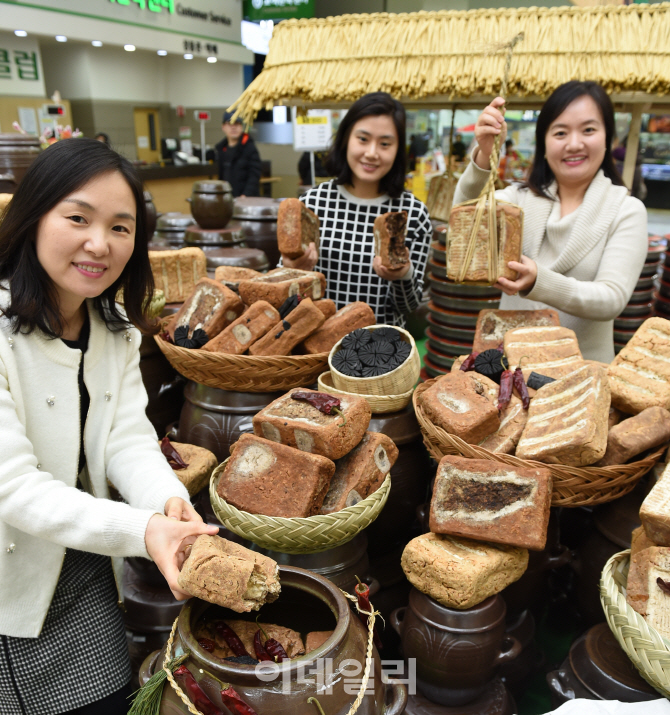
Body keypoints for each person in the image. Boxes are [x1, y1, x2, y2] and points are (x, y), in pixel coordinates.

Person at [0, 138, 218, 715]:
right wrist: (145, 530)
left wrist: (167, 502)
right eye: (78, 218)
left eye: (121, 227)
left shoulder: (113, 330)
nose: (100, 243)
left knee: (111, 700)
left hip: (86, 555)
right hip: (10, 574)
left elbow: (126, 436)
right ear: (33, 217)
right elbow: (13, 488)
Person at [453, 80, 648, 363]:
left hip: (582, 378)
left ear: (608, 139)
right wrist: (484, 155)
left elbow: (611, 299)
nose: (574, 144)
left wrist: (539, 281)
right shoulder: (517, 199)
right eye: (560, 132)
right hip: (509, 372)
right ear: (543, 143)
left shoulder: (626, 211)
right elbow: (465, 216)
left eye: (589, 130)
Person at [283, 92, 432, 328]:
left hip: (381, 352)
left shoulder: (412, 213)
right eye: (363, 139)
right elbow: (284, 294)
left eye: (384, 144)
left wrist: (402, 276)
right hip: (317, 349)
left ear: (397, 150)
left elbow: (409, 305)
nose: (372, 152)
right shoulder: (313, 203)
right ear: (346, 139)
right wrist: (293, 270)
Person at [215, 111, 262, 197]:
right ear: (223, 127)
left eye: (236, 123)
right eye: (230, 124)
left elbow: (254, 175)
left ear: (241, 126)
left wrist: (245, 195)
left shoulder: (249, 147)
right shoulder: (221, 149)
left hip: (247, 199)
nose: (233, 127)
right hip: (228, 198)